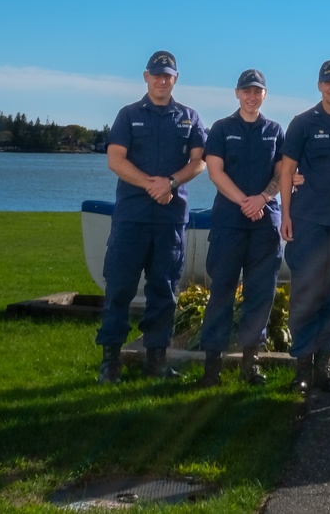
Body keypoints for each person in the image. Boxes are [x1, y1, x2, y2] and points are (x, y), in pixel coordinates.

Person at [95, 50, 206, 383]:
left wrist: (171, 183)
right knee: (119, 288)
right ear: (146, 76)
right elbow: (115, 159)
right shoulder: (128, 115)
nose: (162, 80)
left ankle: (157, 360)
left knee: (165, 291)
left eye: (168, 75)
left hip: (170, 220)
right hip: (132, 217)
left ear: (175, 78)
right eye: (156, 74)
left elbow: (199, 161)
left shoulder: (189, 117)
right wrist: (151, 184)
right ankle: (110, 362)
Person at [279, 59, 330, 394]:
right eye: (328, 82)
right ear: (319, 85)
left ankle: (323, 361)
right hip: (309, 219)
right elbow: (287, 171)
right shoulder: (302, 123)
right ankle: (301, 364)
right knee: (305, 290)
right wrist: (285, 214)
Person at [199, 68, 284, 387]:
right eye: (246, 90)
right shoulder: (222, 128)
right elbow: (215, 172)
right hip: (229, 224)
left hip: (264, 225)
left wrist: (262, 198)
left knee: (260, 294)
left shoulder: (275, 130)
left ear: (264, 95)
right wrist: (245, 201)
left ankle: (251, 363)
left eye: (257, 91)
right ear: (237, 93)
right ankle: (212, 367)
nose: (251, 96)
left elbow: (282, 172)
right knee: (221, 292)